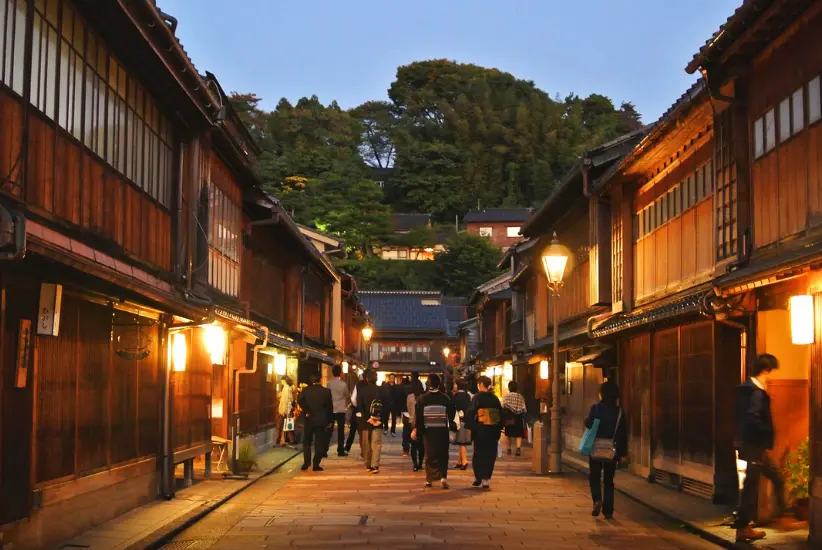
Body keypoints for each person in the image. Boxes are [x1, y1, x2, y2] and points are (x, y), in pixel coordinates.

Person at [733, 354, 791, 543]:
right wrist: (767, 432)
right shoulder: (756, 392)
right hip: (754, 445)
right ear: (765, 371)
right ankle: (743, 527)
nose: (773, 377)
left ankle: (778, 515)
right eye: (773, 372)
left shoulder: (747, 389)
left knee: (774, 477)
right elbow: (753, 418)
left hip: (750, 444)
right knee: (752, 484)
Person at [584, 380, 628, 519]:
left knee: (594, 476)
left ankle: (597, 499)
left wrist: (588, 421)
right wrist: (623, 454)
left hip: (596, 447)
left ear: (602, 394)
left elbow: (589, 424)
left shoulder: (596, 408)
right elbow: (623, 434)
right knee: (609, 480)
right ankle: (608, 511)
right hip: (612, 449)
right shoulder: (619, 412)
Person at [415, 373, 456, 489]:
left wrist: (420, 430)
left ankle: (429, 479)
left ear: (428, 384)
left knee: (430, 454)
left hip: (428, 431)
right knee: (443, 454)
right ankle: (443, 477)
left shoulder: (422, 399)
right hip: (442, 430)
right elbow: (452, 414)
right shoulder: (445, 398)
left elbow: (419, 417)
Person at [297, 373, 333, 471]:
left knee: (307, 441)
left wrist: (307, 410)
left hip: (309, 419)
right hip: (321, 419)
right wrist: (330, 420)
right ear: (320, 380)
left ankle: (306, 462)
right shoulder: (326, 391)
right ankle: (316, 463)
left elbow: (299, 400)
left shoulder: (306, 390)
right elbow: (330, 407)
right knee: (319, 442)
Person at [471, 375, 502, 488]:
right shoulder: (495, 398)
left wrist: (472, 426)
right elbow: (500, 414)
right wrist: (498, 428)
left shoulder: (477, 398)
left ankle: (478, 476)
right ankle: (486, 479)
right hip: (493, 429)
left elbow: (472, 412)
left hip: (480, 429)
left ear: (481, 385)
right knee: (490, 454)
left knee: (478, 453)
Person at [357, 369, 384, 474]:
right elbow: (387, 404)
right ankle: (375, 466)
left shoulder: (362, 391)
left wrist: (367, 418)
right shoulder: (381, 390)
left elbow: (359, 406)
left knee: (366, 444)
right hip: (378, 421)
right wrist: (381, 419)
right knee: (376, 444)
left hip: (366, 421)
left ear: (367, 379)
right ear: (376, 379)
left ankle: (368, 464)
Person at [327, 364, 350, 457]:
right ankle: (340, 450)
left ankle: (325, 450)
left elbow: (327, 395)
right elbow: (347, 395)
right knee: (341, 431)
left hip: (331, 409)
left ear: (332, 373)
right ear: (340, 373)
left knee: (329, 430)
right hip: (340, 409)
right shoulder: (343, 384)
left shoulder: (329, 383)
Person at [502, 381, 527, 456]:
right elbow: (524, 409)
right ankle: (518, 449)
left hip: (509, 417)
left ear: (509, 388)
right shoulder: (520, 396)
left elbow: (503, 406)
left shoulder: (506, 396)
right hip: (518, 418)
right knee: (518, 434)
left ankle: (509, 449)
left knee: (508, 434)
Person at [345, 371, 368, 457]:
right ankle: (365, 451)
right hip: (368, 411)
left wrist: (357, 406)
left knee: (353, 430)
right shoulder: (372, 385)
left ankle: (347, 448)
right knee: (365, 431)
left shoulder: (358, 384)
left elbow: (353, 398)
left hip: (358, 410)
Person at [452, 378, 473, 470]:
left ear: (458, 385)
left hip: (460, 421)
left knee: (461, 442)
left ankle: (464, 461)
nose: (454, 386)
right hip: (467, 420)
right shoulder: (468, 395)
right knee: (461, 440)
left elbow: (454, 408)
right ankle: (459, 461)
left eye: (455, 384)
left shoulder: (457, 396)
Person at [407, 382, 425, 471]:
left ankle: (415, 464)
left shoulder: (410, 397)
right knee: (421, 445)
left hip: (413, 422)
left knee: (414, 445)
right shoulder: (424, 397)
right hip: (421, 423)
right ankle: (419, 463)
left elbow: (408, 408)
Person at [277, 377, 295, 446]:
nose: (281, 382)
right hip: (287, 409)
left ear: (284, 380)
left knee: (281, 425)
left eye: (282, 380)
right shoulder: (287, 388)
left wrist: (285, 410)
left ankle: (280, 440)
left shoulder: (286, 388)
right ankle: (290, 439)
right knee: (288, 424)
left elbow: (286, 401)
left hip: (285, 410)